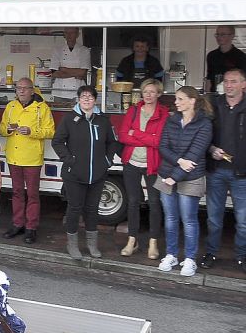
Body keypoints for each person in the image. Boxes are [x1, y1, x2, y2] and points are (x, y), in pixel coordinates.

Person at [52, 86, 120, 260]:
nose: (87, 99)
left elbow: (112, 143)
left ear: (95, 100)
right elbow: (57, 142)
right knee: (74, 208)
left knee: (91, 209)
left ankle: (92, 244)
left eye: (90, 96)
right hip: (74, 173)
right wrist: (69, 160)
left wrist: (107, 161)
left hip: (97, 174)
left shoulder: (103, 120)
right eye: (83, 96)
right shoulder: (69, 119)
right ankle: (72, 245)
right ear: (78, 99)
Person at [157, 86, 213, 277]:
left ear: (192, 101)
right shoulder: (171, 120)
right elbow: (162, 147)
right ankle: (171, 254)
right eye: (176, 99)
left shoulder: (204, 124)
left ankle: (190, 259)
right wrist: (179, 162)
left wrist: (175, 177)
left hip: (190, 177)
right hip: (167, 174)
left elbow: (195, 155)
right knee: (170, 218)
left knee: (189, 220)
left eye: (180, 99)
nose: (176, 102)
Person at [0, 78, 56, 244]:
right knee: (16, 192)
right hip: (14, 156)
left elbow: (51, 131)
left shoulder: (42, 108)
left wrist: (32, 131)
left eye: (25, 88)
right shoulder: (11, 107)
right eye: (19, 88)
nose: (21, 91)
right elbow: (2, 128)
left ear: (32, 90)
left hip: (32, 157)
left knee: (32, 194)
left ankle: (31, 227)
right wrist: (8, 129)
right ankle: (18, 224)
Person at [117, 79, 169, 259]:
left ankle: (153, 242)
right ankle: (132, 240)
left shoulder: (164, 114)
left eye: (152, 92)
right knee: (132, 202)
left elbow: (159, 142)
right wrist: (148, 137)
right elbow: (123, 136)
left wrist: (137, 133)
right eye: (145, 91)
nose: (147, 95)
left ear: (159, 94)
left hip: (152, 164)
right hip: (131, 162)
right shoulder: (133, 111)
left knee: (154, 203)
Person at [201, 68, 246, 273]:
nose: (229, 85)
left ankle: (241, 256)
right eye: (226, 81)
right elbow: (203, 134)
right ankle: (211, 253)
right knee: (213, 218)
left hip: (242, 173)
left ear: (243, 85)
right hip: (217, 169)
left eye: (234, 81)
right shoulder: (215, 104)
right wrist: (211, 150)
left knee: (243, 220)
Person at [49, 28, 91, 102]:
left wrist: (64, 70)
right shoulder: (57, 50)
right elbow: (54, 73)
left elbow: (82, 72)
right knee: (59, 113)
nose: (69, 35)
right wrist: (76, 74)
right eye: (67, 33)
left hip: (77, 91)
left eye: (72, 33)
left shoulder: (84, 50)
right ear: (64, 35)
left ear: (77, 34)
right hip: (59, 91)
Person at [205, 25, 246, 92]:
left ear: (232, 36)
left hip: (233, 93)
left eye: (223, 34)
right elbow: (209, 78)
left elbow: (244, 80)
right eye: (217, 34)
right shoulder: (212, 55)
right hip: (215, 94)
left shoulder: (240, 56)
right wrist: (207, 95)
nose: (219, 37)